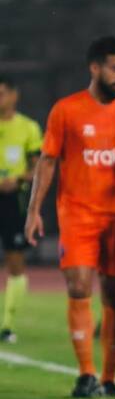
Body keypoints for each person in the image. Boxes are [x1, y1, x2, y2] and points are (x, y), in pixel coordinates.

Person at [25, 36, 115, 398]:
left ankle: (110, 378)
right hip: (78, 214)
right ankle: (86, 374)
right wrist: (35, 210)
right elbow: (48, 161)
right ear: (95, 67)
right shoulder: (66, 110)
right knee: (79, 286)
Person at [0, 76, 42, 343]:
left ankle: (7, 325)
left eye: (2, 93)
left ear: (14, 95)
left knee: (15, 260)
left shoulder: (28, 127)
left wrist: (17, 179)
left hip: (13, 201)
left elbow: (37, 167)